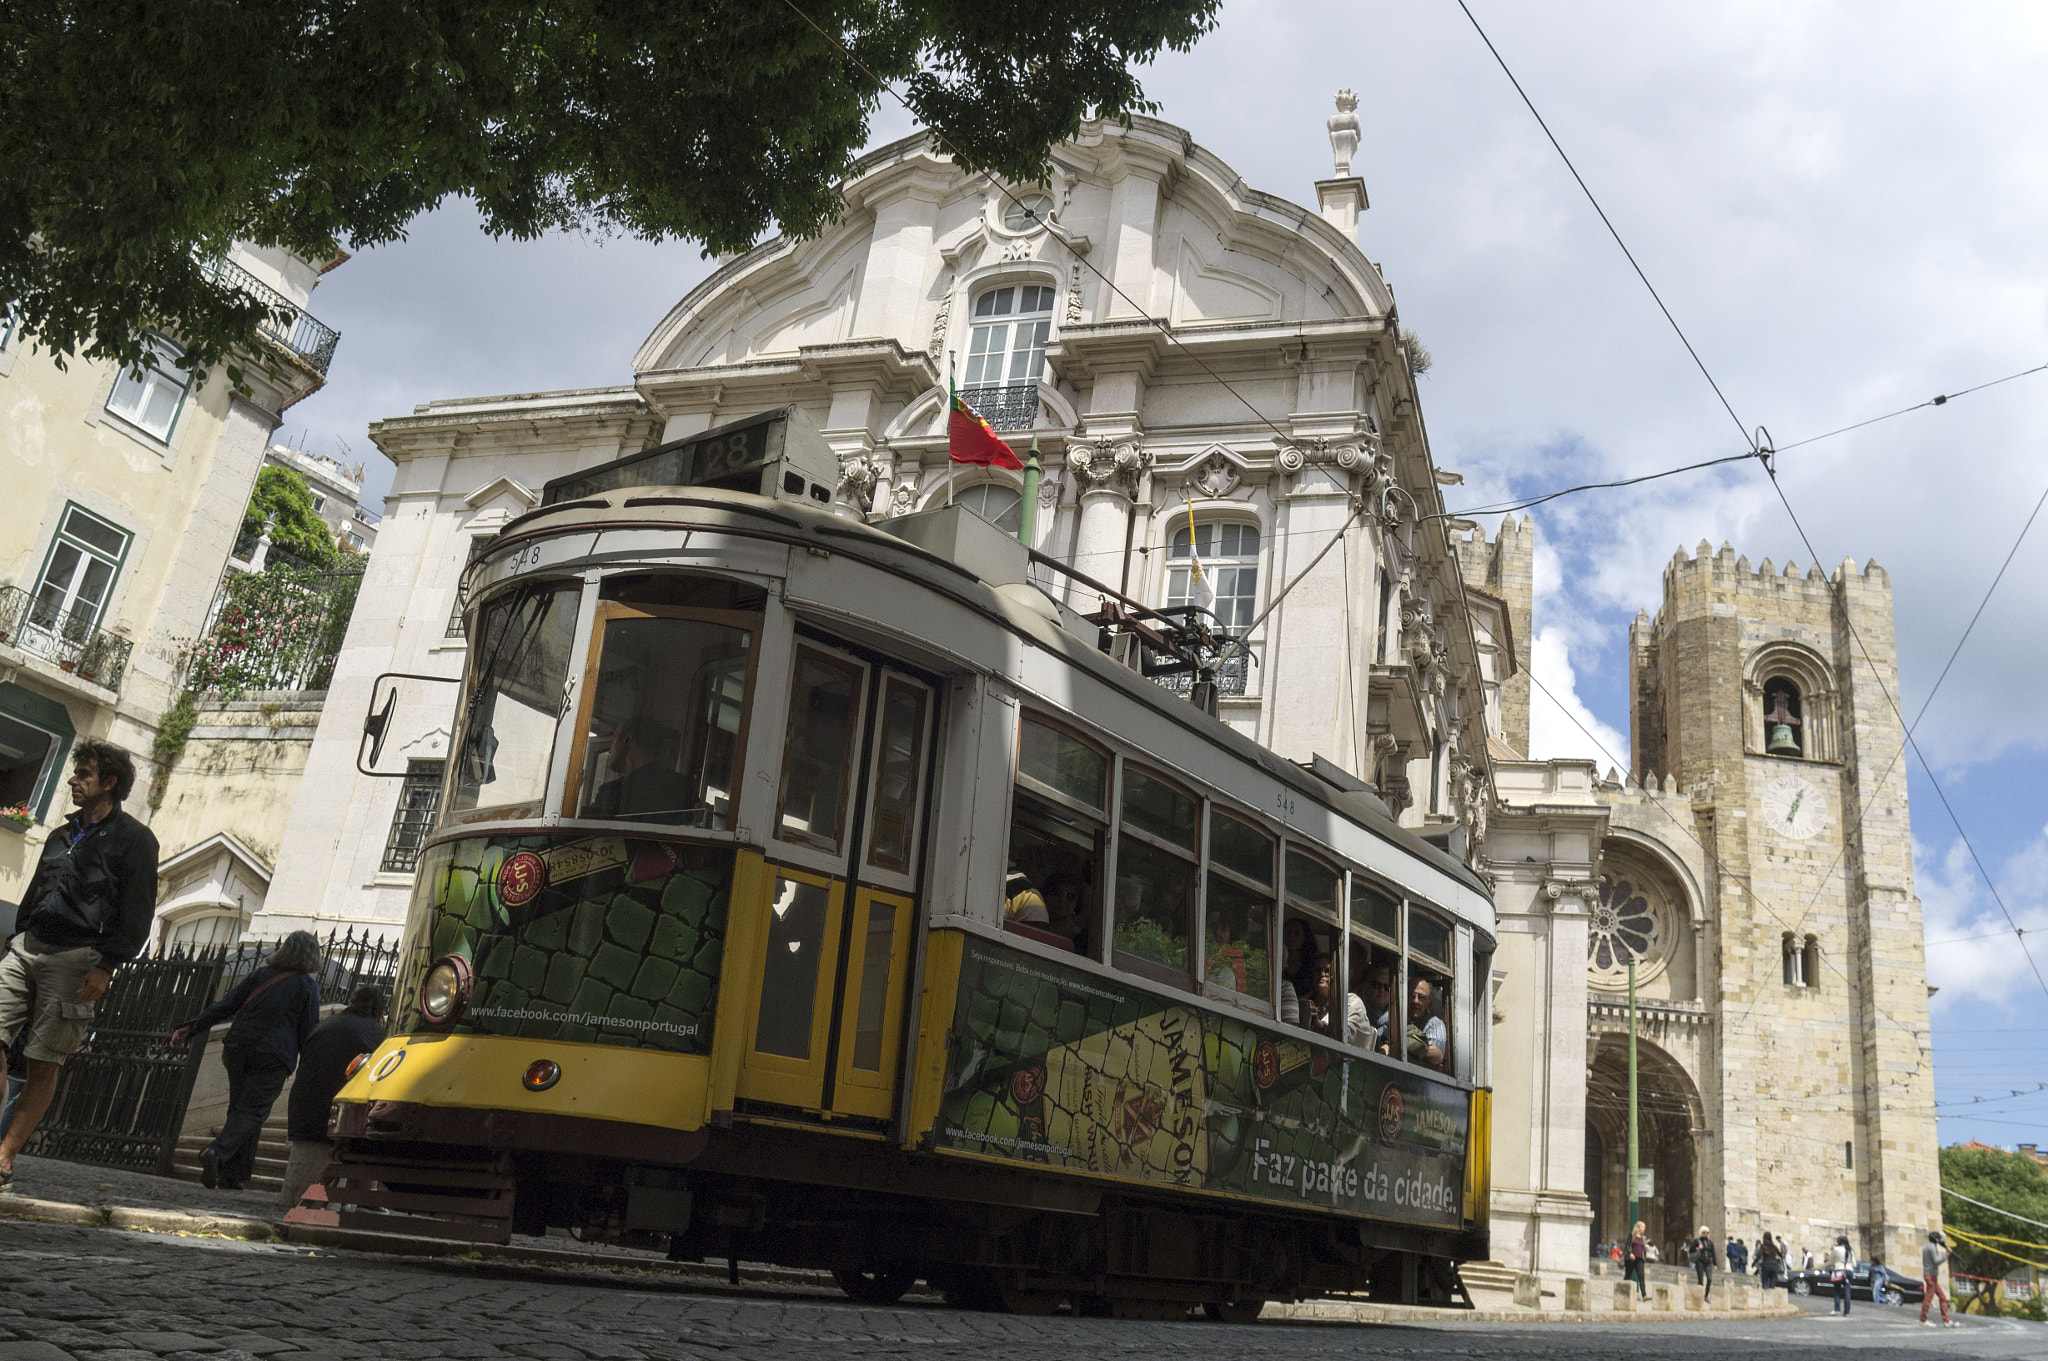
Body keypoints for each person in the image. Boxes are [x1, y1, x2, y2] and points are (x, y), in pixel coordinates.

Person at [0, 740, 159, 1188]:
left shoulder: (135, 840)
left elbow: (138, 912)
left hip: (77, 958)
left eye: (84, 774)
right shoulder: (60, 835)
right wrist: (18, 937)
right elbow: (36, 890)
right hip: (28, 946)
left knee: (43, 1061)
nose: (72, 780)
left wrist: (106, 966)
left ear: (109, 784)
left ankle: (4, 1156)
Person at [171, 931, 323, 1190]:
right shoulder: (307, 986)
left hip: (237, 1047)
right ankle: (216, 1152)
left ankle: (233, 1174)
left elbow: (227, 1005)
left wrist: (194, 1027)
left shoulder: (260, 976)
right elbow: (309, 1032)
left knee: (241, 1109)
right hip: (273, 1054)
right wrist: (307, 1066)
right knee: (253, 1111)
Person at [279, 986, 387, 1212]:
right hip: (338, 1117)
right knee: (376, 1132)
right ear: (379, 1009)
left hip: (302, 1110)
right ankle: (366, 1199)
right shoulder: (377, 1034)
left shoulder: (326, 1024)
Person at [587, 716, 699, 822]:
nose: (611, 750)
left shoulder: (610, 793)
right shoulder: (683, 787)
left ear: (627, 739)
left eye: (614, 739)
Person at [1403, 976, 1447, 1069]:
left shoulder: (1434, 1023)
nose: (1416, 1001)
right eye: (1412, 995)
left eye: (1421, 997)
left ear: (1429, 1004)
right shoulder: (1393, 1017)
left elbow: (1437, 1056)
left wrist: (1406, 1044)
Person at [1920, 1229, 1958, 1328]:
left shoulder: (1926, 1248)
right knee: (1928, 1298)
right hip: (1931, 1276)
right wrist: (1947, 1254)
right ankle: (1923, 1320)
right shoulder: (1932, 1248)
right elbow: (1936, 1261)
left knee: (1942, 1297)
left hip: (1931, 1275)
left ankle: (1946, 1320)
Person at [1688, 1224, 1717, 1301]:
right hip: (1700, 1262)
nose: (1705, 1234)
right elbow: (1691, 1250)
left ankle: (1706, 1295)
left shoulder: (1710, 1242)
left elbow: (1713, 1253)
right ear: (1701, 1232)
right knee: (1700, 1280)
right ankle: (1699, 1296)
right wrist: (1697, 1248)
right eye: (1704, 1232)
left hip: (1708, 1262)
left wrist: (1715, 1264)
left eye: (1707, 1232)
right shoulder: (1697, 1241)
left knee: (1710, 1279)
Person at [1828, 1233, 1853, 1316]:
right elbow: (1854, 1263)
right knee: (1847, 1292)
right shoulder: (1850, 1250)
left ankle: (1837, 1309)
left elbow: (1830, 1259)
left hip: (1839, 1270)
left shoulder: (1836, 1249)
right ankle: (1847, 1312)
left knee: (1837, 1291)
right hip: (1849, 1270)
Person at [1625, 1220, 1648, 1298]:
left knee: (1641, 1277)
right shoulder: (1632, 1235)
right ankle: (1623, 1290)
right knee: (1628, 1275)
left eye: (1644, 1227)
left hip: (1640, 1259)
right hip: (1631, 1258)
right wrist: (1630, 1253)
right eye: (1643, 1227)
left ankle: (1644, 1295)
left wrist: (1644, 1259)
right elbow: (1627, 1245)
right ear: (1638, 1227)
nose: (1644, 1228)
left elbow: (1643, 1249)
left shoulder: (1643, 1238)